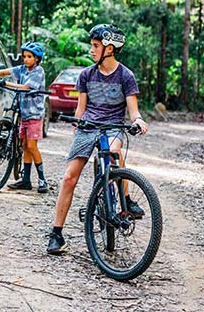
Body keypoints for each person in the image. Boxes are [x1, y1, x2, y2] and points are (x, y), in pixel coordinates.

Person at [46, 24, 149, 255]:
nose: (91, 50)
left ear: (109, 49)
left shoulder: (126, 76)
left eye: (95, 46)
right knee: (69, 178)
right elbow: (81, 108)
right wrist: (76, 126)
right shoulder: (86, 75)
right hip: (88, 127)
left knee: (115, 152)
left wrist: (138, 120)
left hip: (113, 126)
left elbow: (133, 110)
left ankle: (126, 200)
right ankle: (56, 233)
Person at [0, 41, 49, 193]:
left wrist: (6, 83)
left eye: (29, 57)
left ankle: (43, 180)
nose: (26, 59)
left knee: (32, 146)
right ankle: (26, 180)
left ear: (37, 59)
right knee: (25, 146)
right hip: (23, 114)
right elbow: (5, 71)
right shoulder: (22, 69)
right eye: (24, 56)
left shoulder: (38, 71)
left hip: (34, 115)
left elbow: (26, 87)